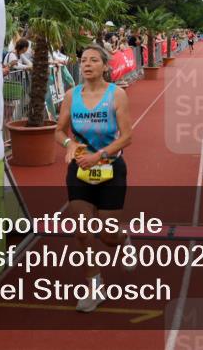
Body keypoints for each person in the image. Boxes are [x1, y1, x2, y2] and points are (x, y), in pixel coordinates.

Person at [53, 44, 134, 313]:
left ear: (104, 66)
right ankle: (94, 286)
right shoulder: (71, 96)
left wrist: (99, 155)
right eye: (83, 60)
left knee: (109, 236)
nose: (87, 64)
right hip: (80, 170)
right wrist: (68, 144)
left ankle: (124, 240)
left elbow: (127, 137)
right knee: (82, 231)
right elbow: (59, 130)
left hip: (110, 168)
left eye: (93, 60)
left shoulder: (117, 95)